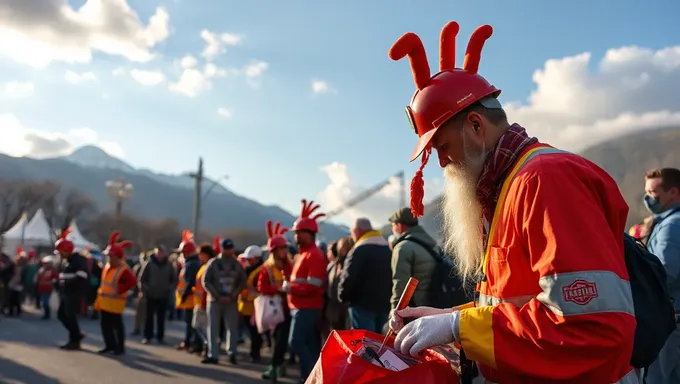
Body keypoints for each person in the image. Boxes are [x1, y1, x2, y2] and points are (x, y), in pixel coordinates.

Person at [387, 21, 637, 383]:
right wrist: (445, 319)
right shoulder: (507, 188)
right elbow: (521, 304)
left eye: (442, 147)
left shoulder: (545, 181)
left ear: (475, 125)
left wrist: (458, 327)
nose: (442, 163)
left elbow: (589, 327)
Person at [643, 168, 680, 383]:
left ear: (673, 192)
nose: (648, 197)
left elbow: (666, 271)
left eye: (653, 192)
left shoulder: (672, 226)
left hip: (671, 316)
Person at [284, 199, 327, 382]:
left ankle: (311, 377)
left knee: (295, 342)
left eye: (299, 233)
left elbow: (314, 285)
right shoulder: (303, 254)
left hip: (307, 307)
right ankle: (313, 377)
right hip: (300, 306)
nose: (296, 236)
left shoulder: (314, 255)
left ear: (309, 234)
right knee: (309, 344)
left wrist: (290, 288)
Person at [338, 218, 392, 333]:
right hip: (384, 305)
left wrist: (343, 296)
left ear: (357, 231)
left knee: (365, 342)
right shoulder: (387, 250)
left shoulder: (358, 250)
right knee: (379, 343)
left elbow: (349, 277)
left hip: (361, 304)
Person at [258, 220, 295, 380]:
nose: (284, 251)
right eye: (281, 248)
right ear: (274, 250)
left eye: (285, 248)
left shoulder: (291, 266)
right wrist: (278, 288)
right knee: (277, 341)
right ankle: (276, 366)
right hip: (274, 309)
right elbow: (262, 288)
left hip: (289, 308)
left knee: (282, 341)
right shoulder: (266, 268)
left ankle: (276, 366)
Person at [201, 238, 247, 365]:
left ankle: (232, 353)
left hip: (231, 301)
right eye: (226, 249)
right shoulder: (213, 263)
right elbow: (206, 281)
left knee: (232, 328)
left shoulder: (237, 264)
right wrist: (216, 295)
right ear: (221, 249)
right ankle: (213, 354)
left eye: (230, 248)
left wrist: (233, 295)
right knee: (213, 328)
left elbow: (242, 281)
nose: (229, 251)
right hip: (215, 300)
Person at [388, 207, 438, 309]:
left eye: (393, 225)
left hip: (413, 308)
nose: (392, 229)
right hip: (433, 305)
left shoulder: (402, 248)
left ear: (400, 226)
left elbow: (400, 284)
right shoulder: (432, 244)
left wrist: (395, 311)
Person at [94, 231, 136, 355]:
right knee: (105, 325)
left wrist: (119, 290)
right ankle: (109, 345)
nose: (108, 258)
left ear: (117, 257)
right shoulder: (108, 266)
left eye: (110, 256)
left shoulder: (123, 269)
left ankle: (119, 347)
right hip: (105, 301)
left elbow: (131, 282)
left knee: (116, 325)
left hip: (115, 302)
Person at [55, 228, 89, 350]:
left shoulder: (78, 260)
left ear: (66, 250)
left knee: (70, 316)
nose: (59, 254)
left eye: (60, 251)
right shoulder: (66, 261)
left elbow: (82, 276)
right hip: (66, 293)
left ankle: (74, 340)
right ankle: (76, 335)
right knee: (61, 315)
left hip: (74, 293)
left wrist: (67, 283)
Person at [140, 246, 176, 345]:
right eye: (158, 252)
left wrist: (170, 288)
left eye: (162, 252)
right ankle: (148, 336)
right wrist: (144, 290)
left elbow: (174, 279)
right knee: (149, 317)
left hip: (163, 295)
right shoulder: (149, 263)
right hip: (150, 294)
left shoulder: (169, 265)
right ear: (155, 253)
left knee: (161, 318)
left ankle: (160, 337)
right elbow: (142, 278)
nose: (160, 254)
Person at [175, 230, 201, 352]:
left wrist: (185, 294)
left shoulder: (191, 264)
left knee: (192, 323)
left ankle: (193, 343)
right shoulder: (191, 263)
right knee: (190, 323)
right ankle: (189, 342)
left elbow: (190, 282)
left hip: (190, 299)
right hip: (189, 298)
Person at [238, 245, 265, 363]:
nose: (247, 261)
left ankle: (255, 353)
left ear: (256, 258)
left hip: (255, 307)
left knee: (255, 332)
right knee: (251, 331)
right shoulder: (250, 269)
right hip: (247, 306)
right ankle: (254, 352)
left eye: (249, 259)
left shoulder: (260, 270)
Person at [192, 240, 219, 357]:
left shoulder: (208, 267)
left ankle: (208, 345)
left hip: (204, 302)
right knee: (200, 326)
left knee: (199, 326)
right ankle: (208, 346)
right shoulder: (204, 266)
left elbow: (205, 286)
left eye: (200, 254)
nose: (198, 256)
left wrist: (202, 302)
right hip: (199, 301)